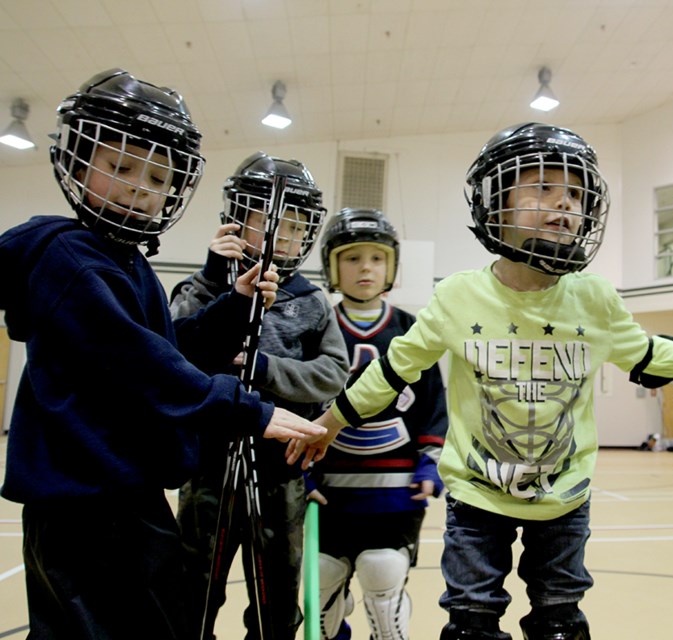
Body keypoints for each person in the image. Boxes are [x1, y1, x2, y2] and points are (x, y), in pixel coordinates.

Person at [287, 122, 673, 640]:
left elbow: (649, 353)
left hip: (565, 499)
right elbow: (392, 371)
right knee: (470, 622)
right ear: (496, 203)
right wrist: (330, 422)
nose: (564, 203)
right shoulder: (458, 297)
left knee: (559, 622)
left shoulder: (593, 298)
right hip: (477, 498)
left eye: (574, 192)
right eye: (543, 187)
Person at [0, 69, 326, 640]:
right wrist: (254, 410)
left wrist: (234, 304)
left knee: (165, 620)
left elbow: (172, 348)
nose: (139, 187)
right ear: (77, 165)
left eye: (157, 175)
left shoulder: (126, 262)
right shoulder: (69, 260)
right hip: (79, 503)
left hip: (127, 493)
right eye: (120, 167)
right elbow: (141, 366)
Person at [168, 152, 350, 640]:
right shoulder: (198, 289)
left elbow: (332, 374)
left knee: (276, 594)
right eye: (265, 222)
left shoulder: (311, 302)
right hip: (208, 470)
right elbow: (176, 358)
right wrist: (213, 281)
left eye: (293, 226)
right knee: (194, 588)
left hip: (279, 471)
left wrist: (265, 368)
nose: (278, 235)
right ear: (237, 222)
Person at [308, 207, 449, 640]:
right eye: (352, 258)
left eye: (376, 258)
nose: (365, 267)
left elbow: (431, 405)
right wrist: (301, 468)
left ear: (391, 267)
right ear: (332, 266)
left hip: (395, 490)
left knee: (382, 572)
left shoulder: (412, 331)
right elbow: (298, 402)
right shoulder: (316, 327)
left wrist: (429, 463)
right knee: (323, 580)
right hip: (329, 488)